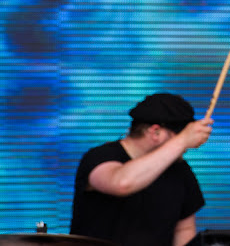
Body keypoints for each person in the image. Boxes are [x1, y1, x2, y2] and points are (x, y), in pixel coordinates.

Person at [70, 93, 213, 246]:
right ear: (155, 132)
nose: (186, 147)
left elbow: (184, 229)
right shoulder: (100, 156)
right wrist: (183, 140)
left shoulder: (180, 170)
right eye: (178, 135)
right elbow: (122, 183)